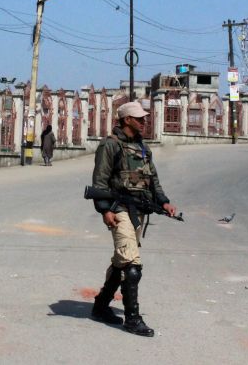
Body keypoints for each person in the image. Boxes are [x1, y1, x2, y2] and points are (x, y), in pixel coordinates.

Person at [90, 101, 177, 337]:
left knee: (121, 262)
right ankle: (132, 318)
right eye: (138, 118)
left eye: (144, 118)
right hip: (119, 210)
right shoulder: (110, 146)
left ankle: (99, 306)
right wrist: (105, 210)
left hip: (138, 212)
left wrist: (164, 201)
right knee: (132, 266)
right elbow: (99, 182)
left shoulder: (143, 148)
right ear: (126, 119)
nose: (143, 121)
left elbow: (153, 181)